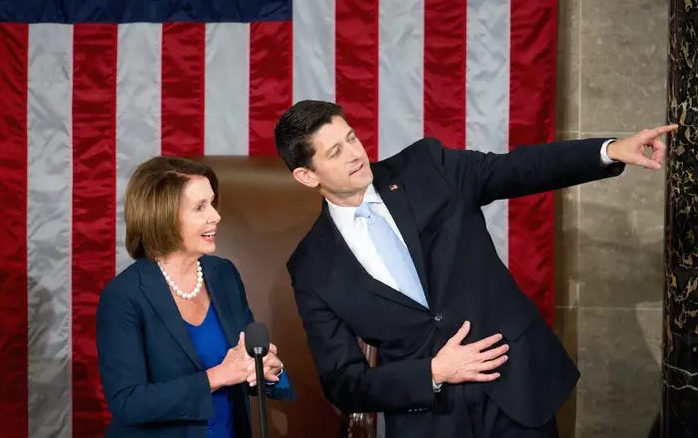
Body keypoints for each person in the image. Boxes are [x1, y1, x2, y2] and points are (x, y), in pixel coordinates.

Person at [274, 100, 676, 438]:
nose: (355, 154)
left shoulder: (426, 168)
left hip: (515, 389)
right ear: (306, 176)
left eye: (351, 138)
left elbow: (517, 168)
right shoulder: (312, 267)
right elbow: (343, 381)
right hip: (431, 421)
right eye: (335, 152)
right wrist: (431, 372)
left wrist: (608, 150)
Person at [97, 156, 294, 438]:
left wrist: (263, 368)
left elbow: (242, 359)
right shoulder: (124, 296)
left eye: (212, 203)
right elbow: (129, 402)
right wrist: (219, 375)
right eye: (200, 207)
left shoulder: (223, 274)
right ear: (162, 217)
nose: (216, 216)